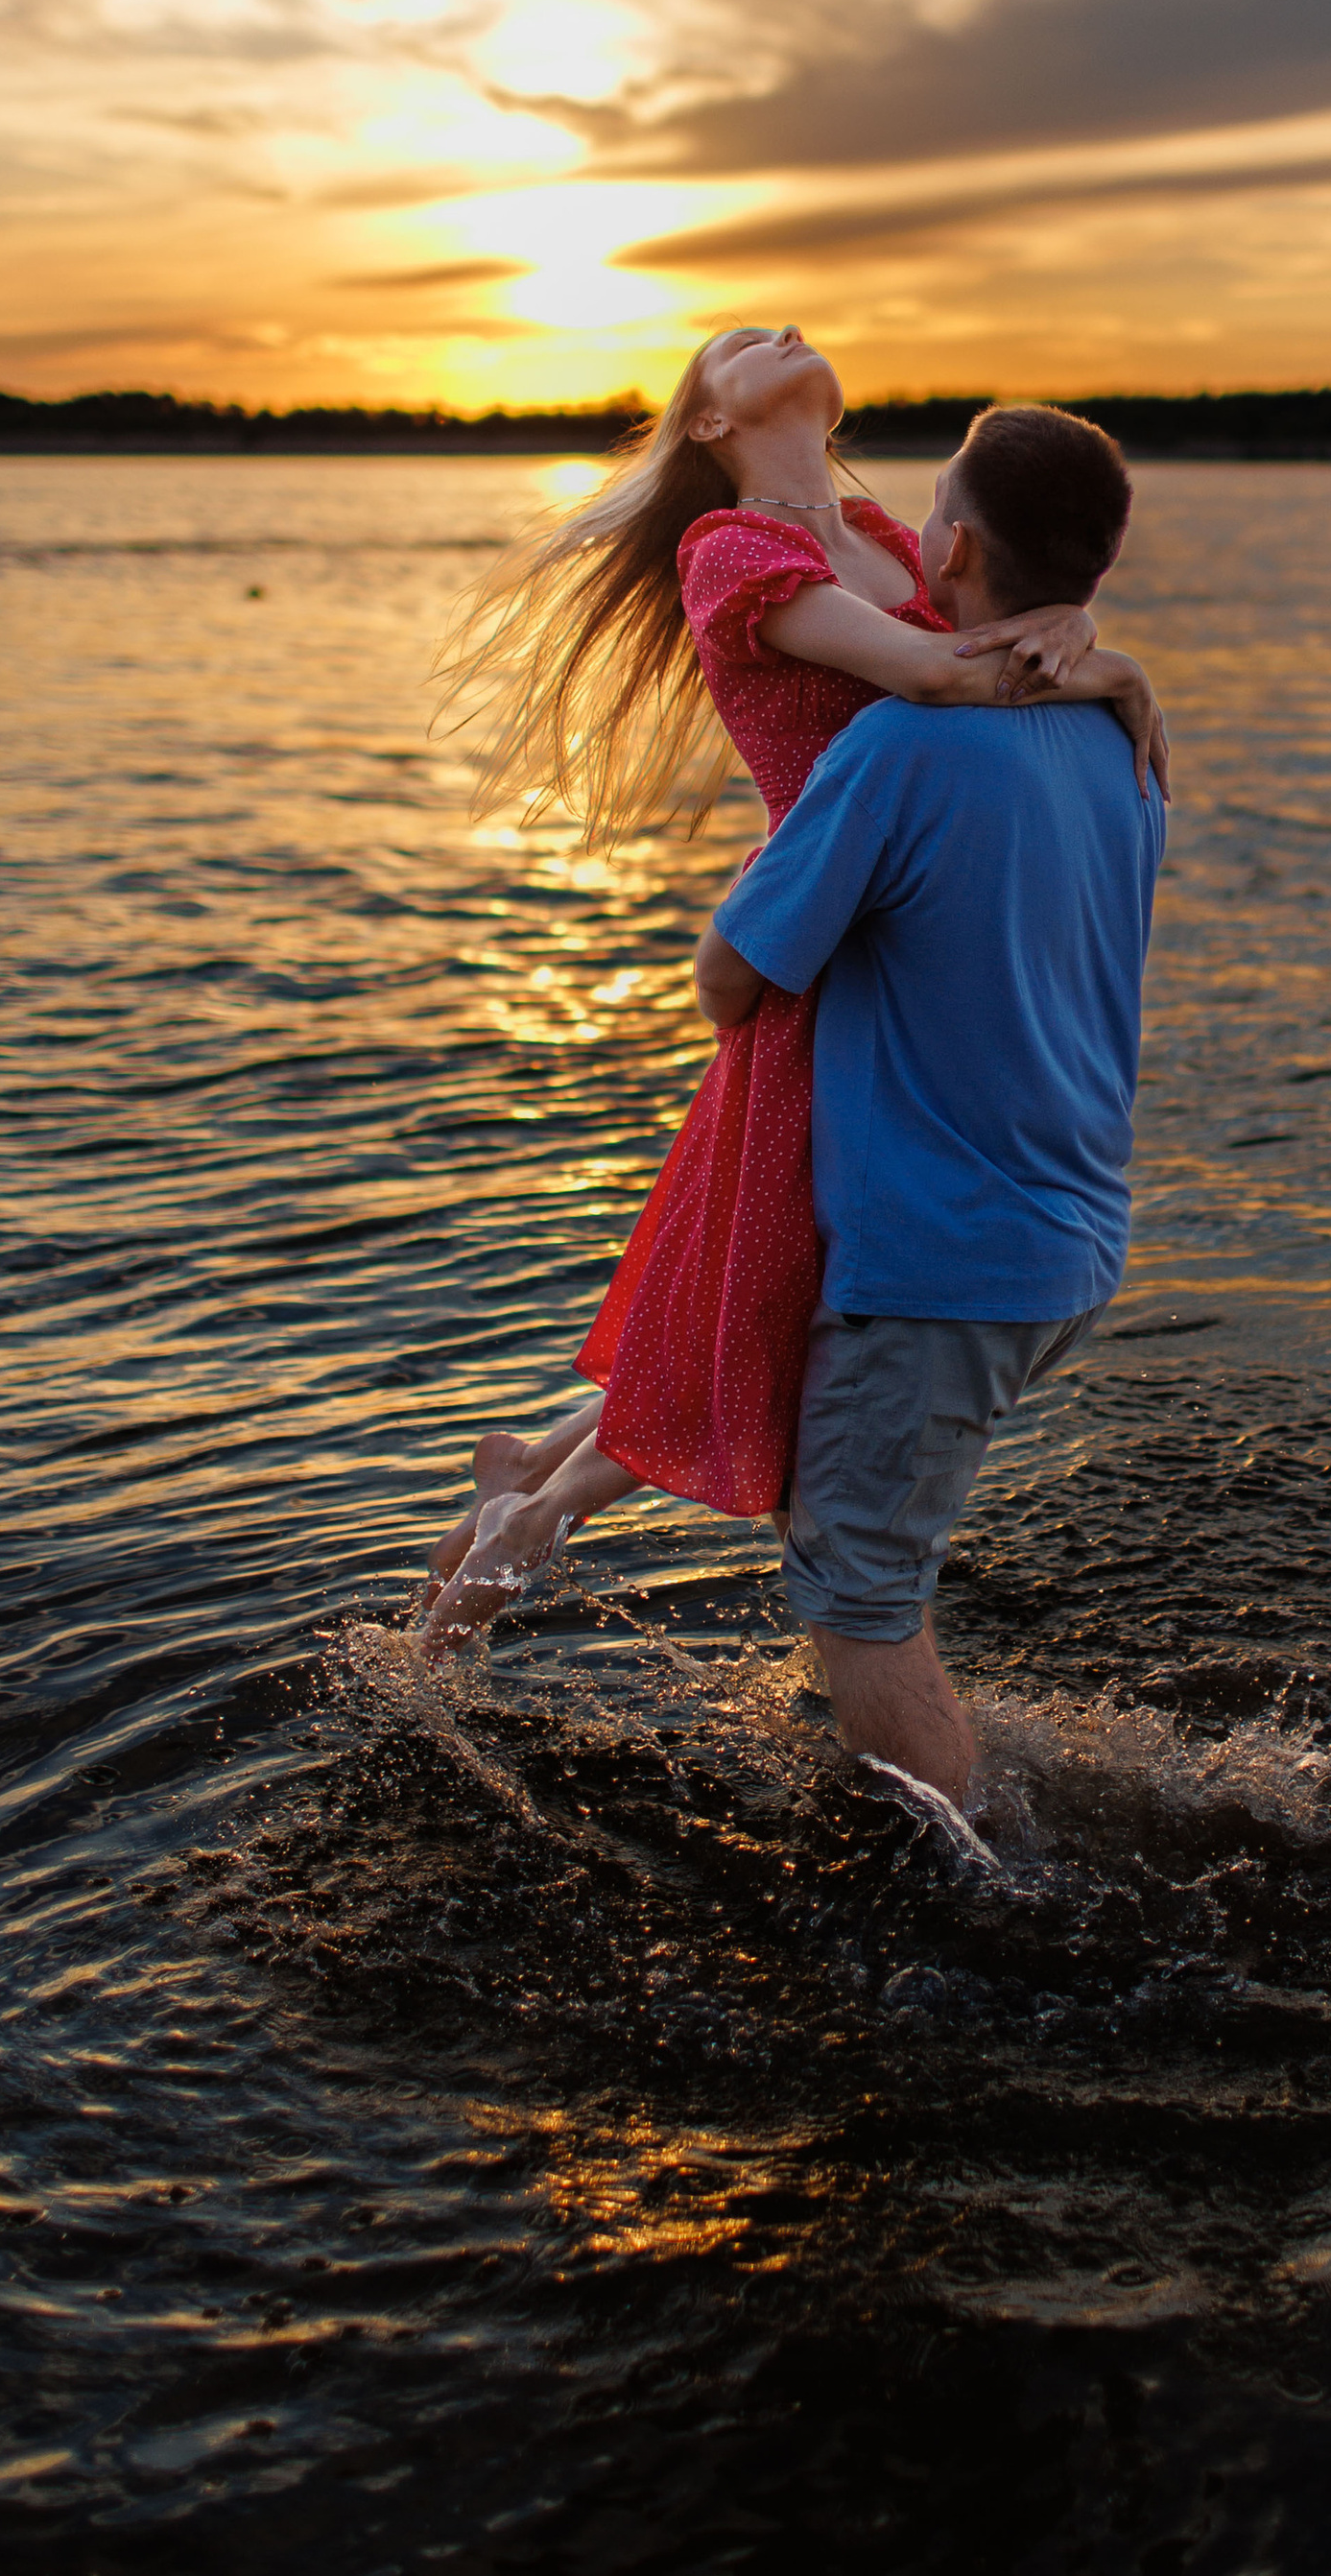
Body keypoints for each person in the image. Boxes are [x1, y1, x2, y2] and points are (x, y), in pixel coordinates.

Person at [419, 331, 1164, 1644]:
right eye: (738, 343)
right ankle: (483, 1578)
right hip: (809, 950)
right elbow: (942, 676)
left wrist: (1073, 627)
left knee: (733, 1317)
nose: (781, 331)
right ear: (707, 416)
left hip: (882, 943)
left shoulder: (886, 528)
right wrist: (1111, 668)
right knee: (739, 1329)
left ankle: (514, 1500)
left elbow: (989, 638)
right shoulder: (733, 549)